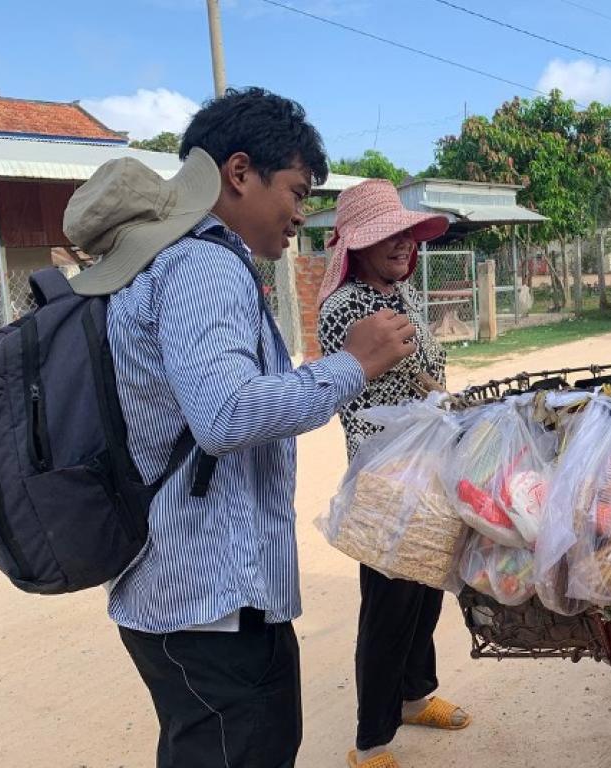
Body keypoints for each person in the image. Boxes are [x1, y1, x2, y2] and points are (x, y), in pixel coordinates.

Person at [65, 87, 418, 768]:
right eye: (295, 189)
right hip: (211, 603)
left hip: (185, 596)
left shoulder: (162, 263)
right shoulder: (201, 264)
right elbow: (225, 414)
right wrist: (352, 365)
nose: (300, 213)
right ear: (238, 173)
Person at [317, 180, 472, 768]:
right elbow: (392, 376)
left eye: (407, 235)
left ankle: (413, 696)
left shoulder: (397, 296)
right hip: (384, 476)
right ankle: (371, 740)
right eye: (389, 236)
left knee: (424, 587)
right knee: (387, 603)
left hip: (423, 462)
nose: (404, 246)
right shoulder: (348, 307)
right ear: (357, 245)